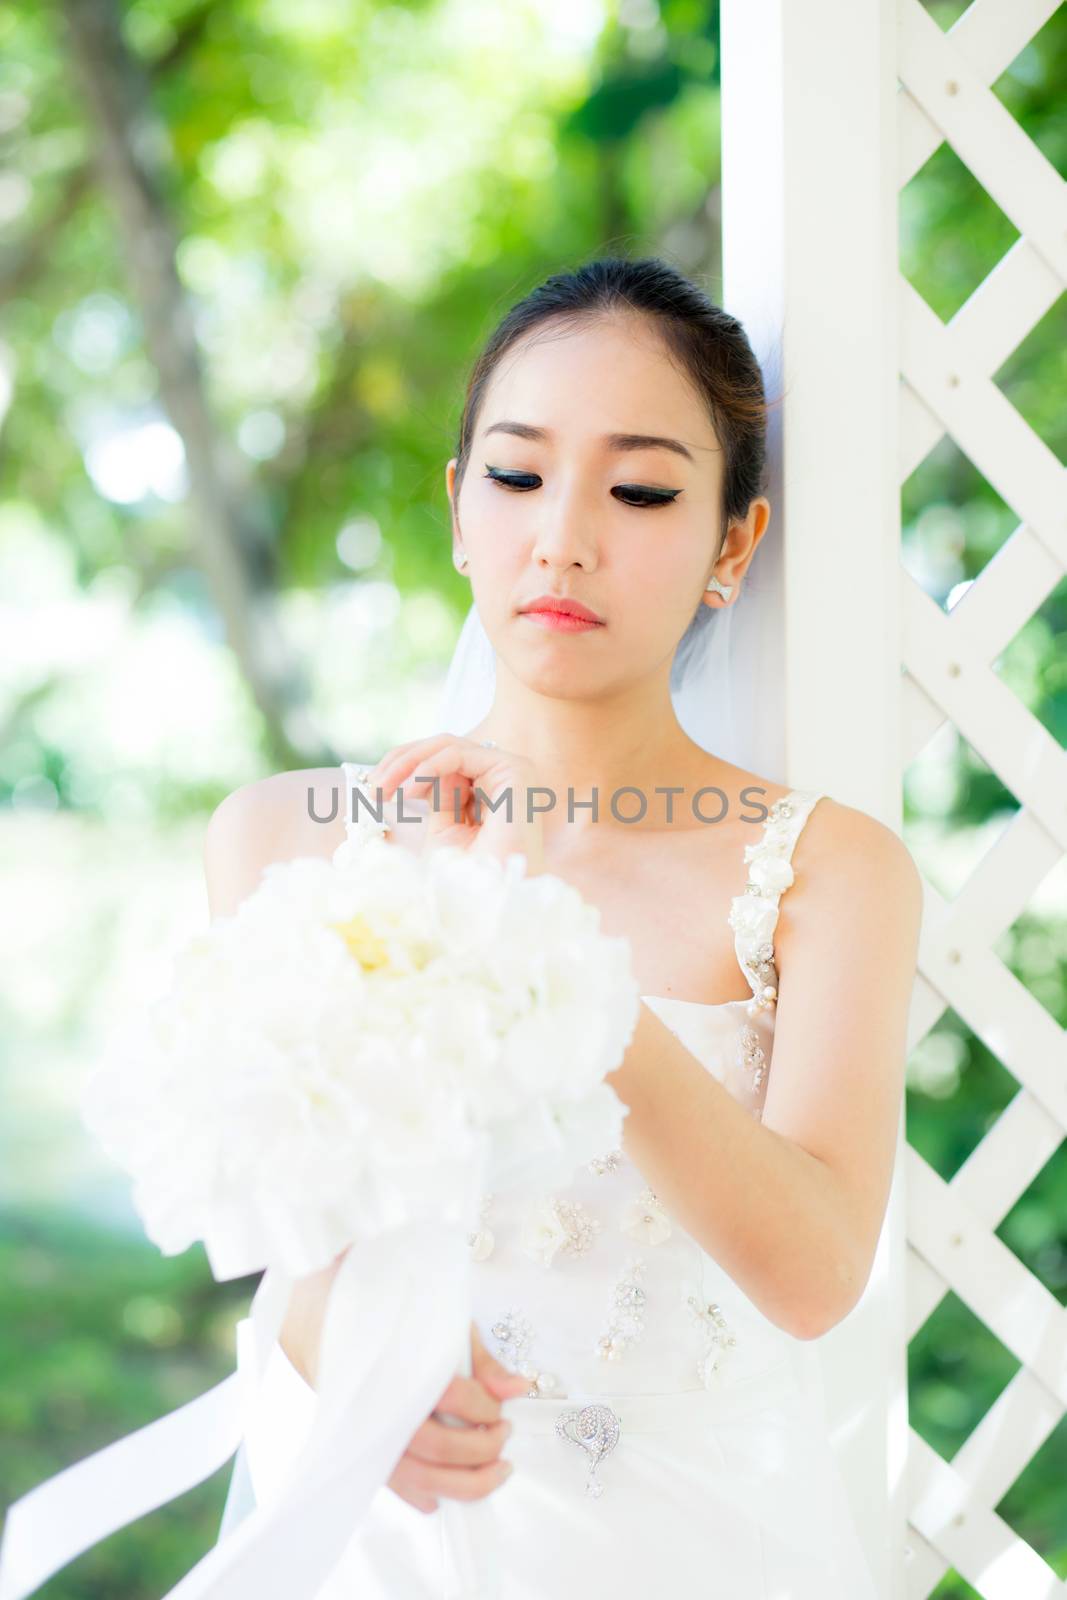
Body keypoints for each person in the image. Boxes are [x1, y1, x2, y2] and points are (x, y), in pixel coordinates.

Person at [205, 255, 923, 1595]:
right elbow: (284, 1247)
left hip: (701, 1549)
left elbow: (817, 1273)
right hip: (388, 1537)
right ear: (461, 510)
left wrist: (540, 944)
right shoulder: (288, 839)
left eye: (641, 488)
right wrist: (359, 1379)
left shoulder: (830, 871)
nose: (565, 535)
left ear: (731, 543)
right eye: (519, 475)